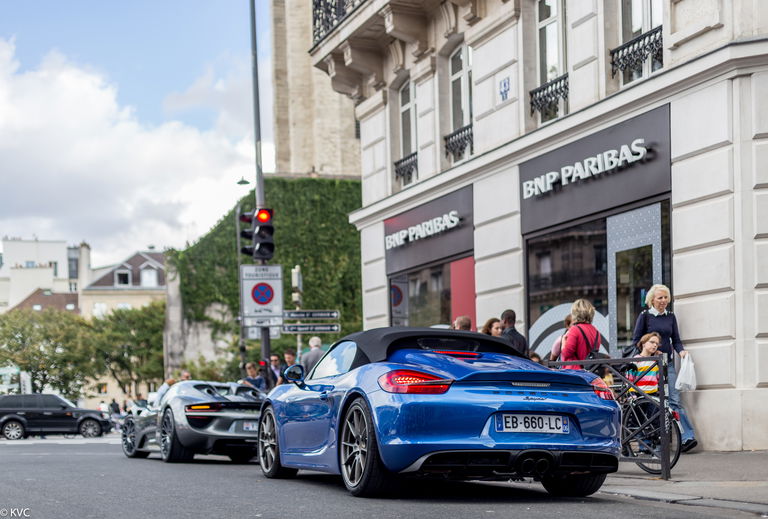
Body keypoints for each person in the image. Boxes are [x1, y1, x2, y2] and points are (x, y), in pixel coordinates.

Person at [630, 283, 698, 453]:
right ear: (652, 299)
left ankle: (686, 438)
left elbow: (676, 340)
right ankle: (650, 441)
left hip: (667, 366)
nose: (664, 300)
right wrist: (651, 350)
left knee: (674, 401)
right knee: (650, 402)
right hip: (649, 367)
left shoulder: (671, 316)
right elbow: (636, 341)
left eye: (666, 297)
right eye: (660, 297)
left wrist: (681, 352)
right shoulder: (645, 316)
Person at [560, 299, 601, 370]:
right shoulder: (596, 331)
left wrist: (563, 342)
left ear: (575, 313)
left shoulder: (574, 330)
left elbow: (566, 353)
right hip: (590, 372)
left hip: (574, 372)